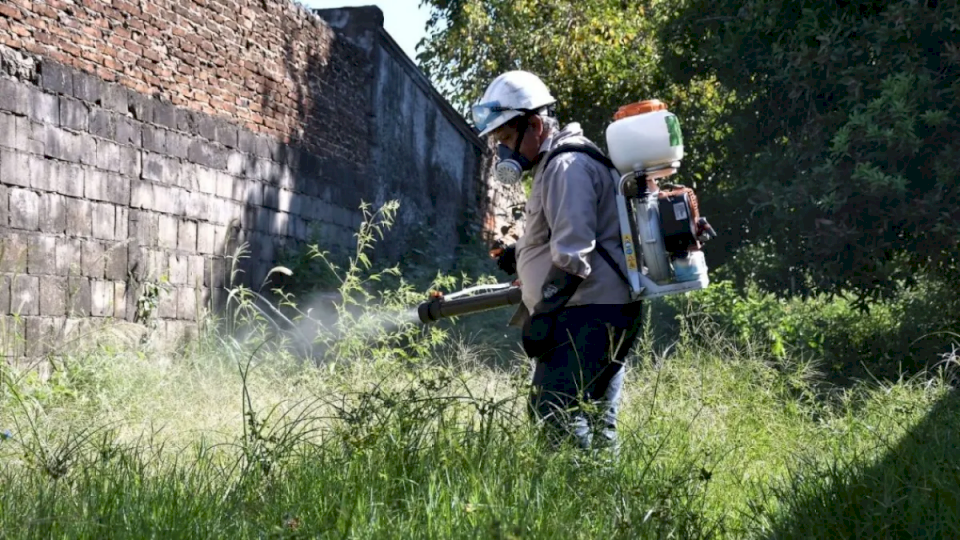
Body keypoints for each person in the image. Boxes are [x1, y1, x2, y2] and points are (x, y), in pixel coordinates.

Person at [473, 70, 643, 453]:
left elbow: (573, 253)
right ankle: (608, 503)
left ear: (533, 124)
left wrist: (544, 315)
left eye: (505, 139)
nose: (502, 153)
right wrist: (523, 253)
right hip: (601, 307)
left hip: (588, 312)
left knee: (554, 411)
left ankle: (582, 498)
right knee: (596, 420)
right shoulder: (557, 164)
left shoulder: (567, 167)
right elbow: (569, 231)